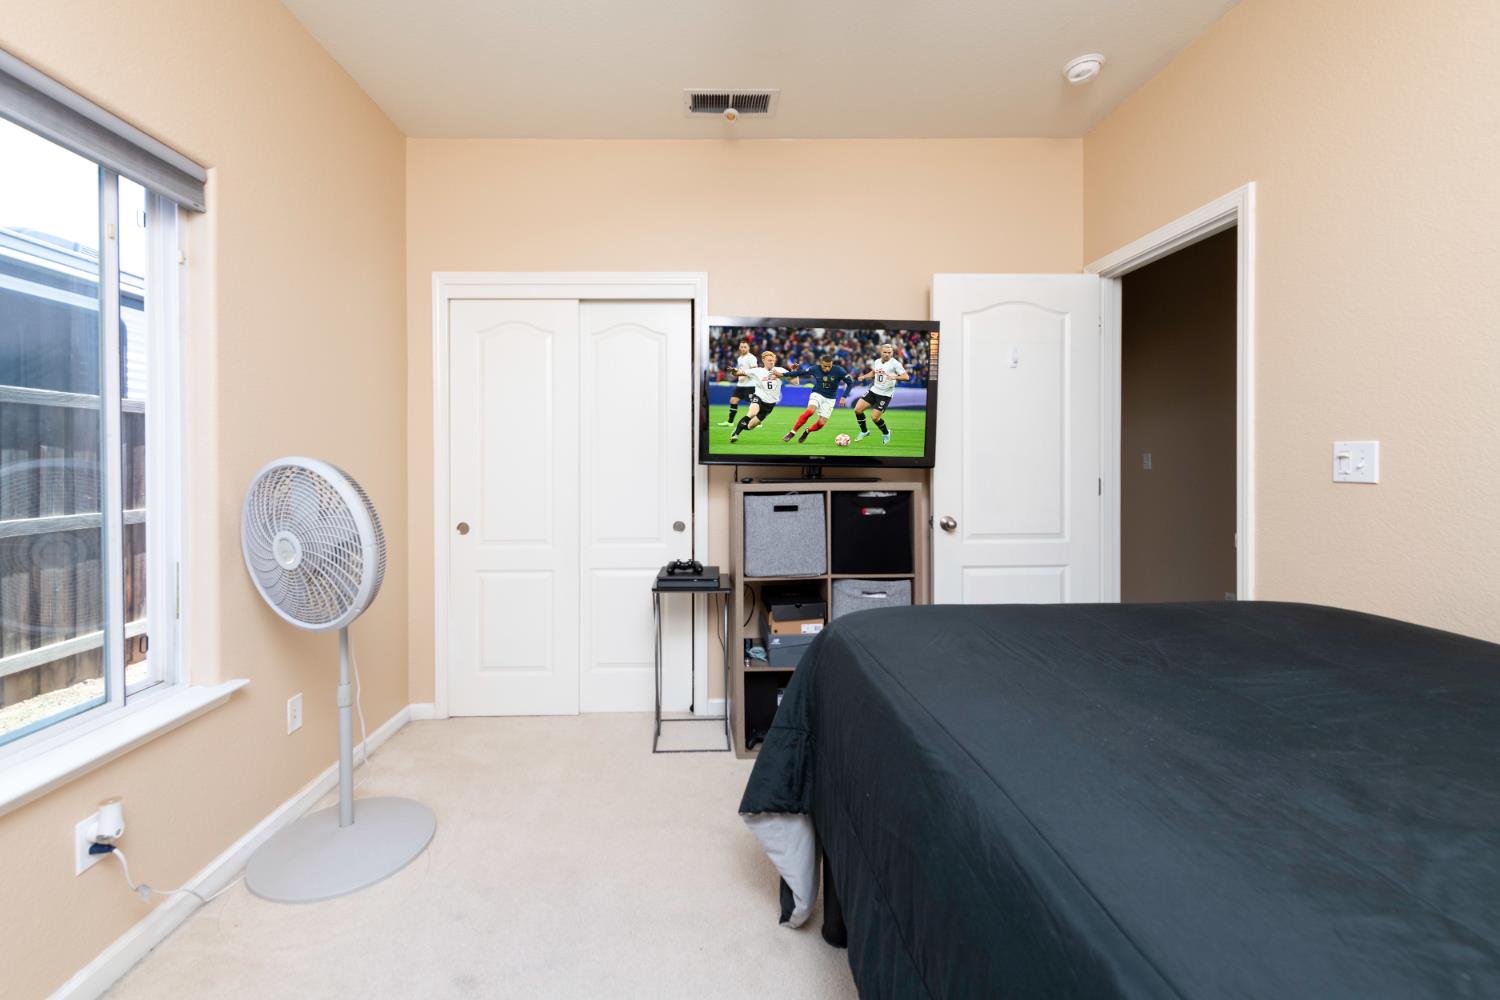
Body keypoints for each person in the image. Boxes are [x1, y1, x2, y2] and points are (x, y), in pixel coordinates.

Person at [781, 355, 854, 444]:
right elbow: (800, 373)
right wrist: (783, 374)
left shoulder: (839, 370)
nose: (827, 368)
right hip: (817, 393)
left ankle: (807, 431)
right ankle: (792, 432)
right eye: (825, 366)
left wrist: (844, 396)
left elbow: (850, 383)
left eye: (829, 366)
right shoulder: (815, 368)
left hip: (830, 399)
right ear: (821, 363)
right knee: (810, 412)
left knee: (821, 424)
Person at [730, 351, 791, 443]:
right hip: (759, 397)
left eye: (772, 360)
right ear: (763, 360)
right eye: (769, 360)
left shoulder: (781, 370)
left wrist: (793, 372)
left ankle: (739, 427)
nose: (771, 362)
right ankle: (736, 434)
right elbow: (738, 373)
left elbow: (795, 382)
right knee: (752, 412)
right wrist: (734, 371)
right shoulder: (757, 371)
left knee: (750, 426)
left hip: (770, 404)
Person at [854, 342, 909, 444]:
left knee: (874, 418)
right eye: (885, 352)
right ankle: (864, 431)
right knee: (857, 410)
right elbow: (874, 373)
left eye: (889, 352)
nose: (887, 354)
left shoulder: (895, 364)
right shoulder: (877, 361)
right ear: (881, 352)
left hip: (885, 395)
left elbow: (906, 377)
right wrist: (864, 376)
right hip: (874, 390)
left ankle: (886, 433)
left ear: (892, 353)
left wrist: (895, 377)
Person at [723, 340, 758, 426]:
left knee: (752, 404)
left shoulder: (751, 358)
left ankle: (757, 422)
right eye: (741, 347)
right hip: (741, 384)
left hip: (750, 384)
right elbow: (741, 370)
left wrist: (744, 375)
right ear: (739, 347)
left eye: (745, 347)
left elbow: (754, 370)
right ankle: (730, 422)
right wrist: (735, 371)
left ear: (748, 348)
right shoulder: (740, 358)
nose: (743, 348)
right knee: (733, 400)